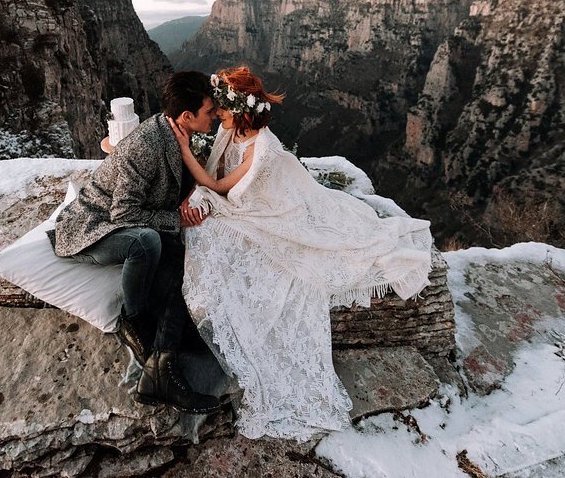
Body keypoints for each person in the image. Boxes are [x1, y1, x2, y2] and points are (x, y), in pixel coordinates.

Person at [167, 67, 434, 441]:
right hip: (250, 197)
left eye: (221, 108)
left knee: (216, 234)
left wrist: (182, 149)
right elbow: (210, 175)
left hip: (281, 206)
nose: (216, 114)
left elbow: (214, 184)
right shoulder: (231, 131)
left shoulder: (261, 150)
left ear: (237, 110)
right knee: (205, 227)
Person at [54, 71, 221, 413]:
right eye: (209, 111)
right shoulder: (146, 145)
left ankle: (160, 367)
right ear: (187, 116)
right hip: (92, 225)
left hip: (127, 219)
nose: (216, 114)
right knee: (146, 241)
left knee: (180, 257)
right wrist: (176, 218)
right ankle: (135, 320)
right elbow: (124, 214)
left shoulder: (180, 134)